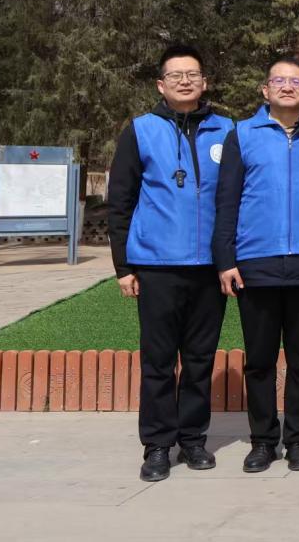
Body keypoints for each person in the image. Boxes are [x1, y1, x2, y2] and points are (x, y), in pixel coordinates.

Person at [107, 44, 234, 482]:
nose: (185, 81)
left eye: (192, 74)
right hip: (157, 265)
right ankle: (158, 444)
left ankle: (193, 439)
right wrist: (123, 266)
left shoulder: (226, 130)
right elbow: (120, 201)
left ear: (204, 82)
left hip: (210, 267)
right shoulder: (141, 130)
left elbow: (235, 199)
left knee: (200, 359)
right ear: (161, 85)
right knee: (158, 360)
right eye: (176, 75)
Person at [212, 57, 299, 473]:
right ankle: (263, 440)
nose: (287, 86)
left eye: (295, 81)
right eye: (279, 80)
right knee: (259, 361)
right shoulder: (242, 135)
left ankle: (298, 439)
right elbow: (226, 202)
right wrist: (226, 260)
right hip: (256, 264)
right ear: (265, 90)